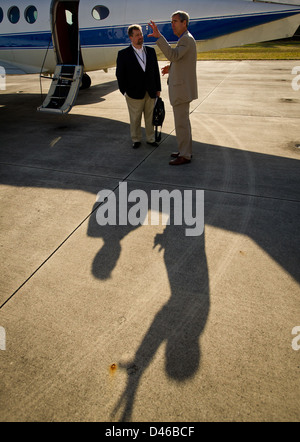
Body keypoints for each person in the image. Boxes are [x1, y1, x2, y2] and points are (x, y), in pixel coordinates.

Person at [148, 11, 198, 165]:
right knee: (184, 123)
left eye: (175, 21)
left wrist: (159, 38)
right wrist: (171, 68)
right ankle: (185, 150)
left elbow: (174, 55)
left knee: (181, 124)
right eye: (172, 22)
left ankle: (185, 155)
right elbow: (182, 60)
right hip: (183, 89)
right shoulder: (185, 39)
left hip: (181, 90)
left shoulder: (186, 40)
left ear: (184, 23)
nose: (173, 25)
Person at [116, 24, 161, 149]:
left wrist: (158, 89)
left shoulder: (151, 51)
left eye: (140, 34)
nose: (140, 37)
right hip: (133, 93)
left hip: (150, 91)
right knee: (135, 119)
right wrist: (124, 91)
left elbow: (155, 72)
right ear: (131, 38)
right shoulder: (123, 54)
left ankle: (151, 138)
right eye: (137, 35)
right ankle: (136, 139)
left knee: (150, 117)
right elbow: (120, 75)